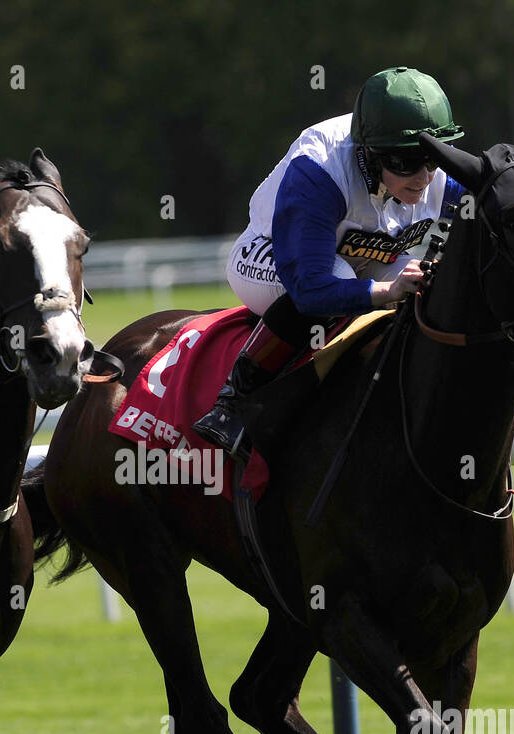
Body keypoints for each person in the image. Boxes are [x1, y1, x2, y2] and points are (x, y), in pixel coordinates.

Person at [193, 66, 467, 458]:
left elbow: (494, 196)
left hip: (362, 252)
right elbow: (311, 289)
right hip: (274, 255)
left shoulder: (429, 174)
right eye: (408, 162)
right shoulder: (320, 171)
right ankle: (232, 403)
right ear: (370, 153)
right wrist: (386, 291)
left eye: (432, 160)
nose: (425, 177)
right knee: (338, 279)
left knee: (425, 281)